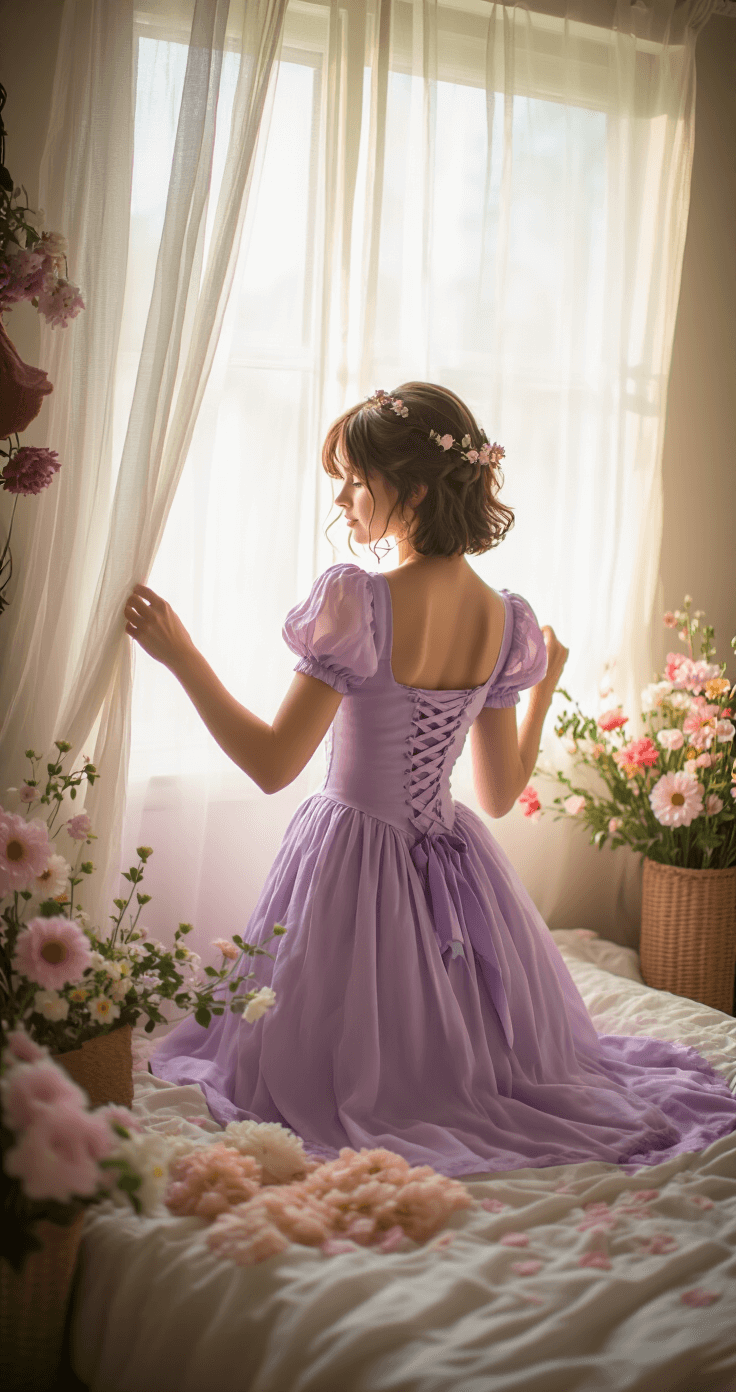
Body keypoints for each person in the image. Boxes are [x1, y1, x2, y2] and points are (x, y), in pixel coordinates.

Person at [124, 381, 736, 1178]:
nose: (341, 497)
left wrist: (184, 658)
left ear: (411, 488)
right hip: (453, 859)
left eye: (354, 478)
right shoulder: (506, 619)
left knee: (334, 1050)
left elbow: (274, 766)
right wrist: (543, 688)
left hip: (351, 856)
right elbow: (498, 792)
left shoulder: (360, 601)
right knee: (452, 1043)